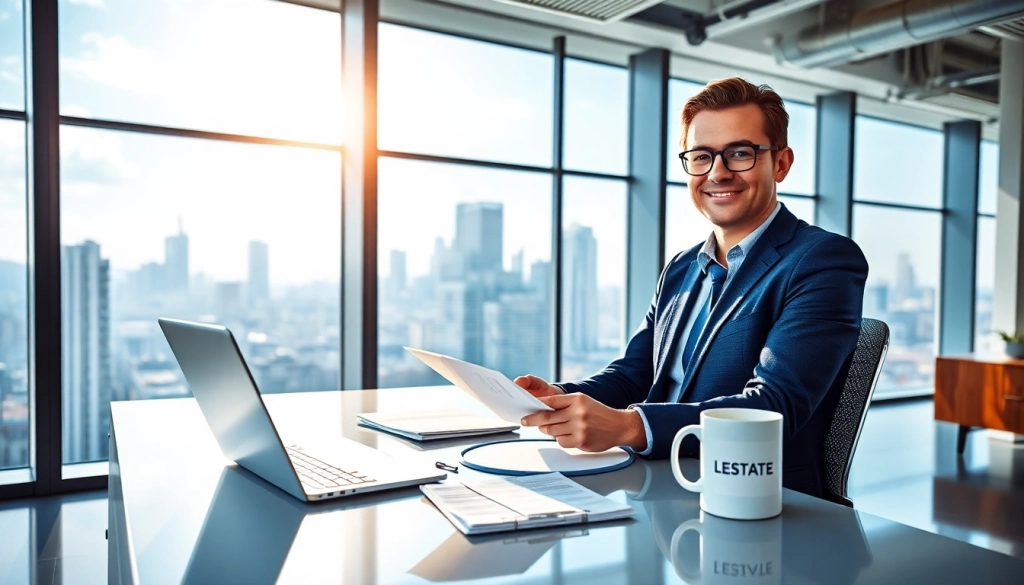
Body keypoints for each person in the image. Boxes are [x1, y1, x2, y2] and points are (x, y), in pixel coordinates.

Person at [515, 77, 868, 497]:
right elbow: (636, 373)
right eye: (702, 156)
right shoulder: (681, 268)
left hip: (756, 503)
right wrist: (559, 399)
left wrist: (629, 426)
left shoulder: (823, 260)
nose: (717, 173)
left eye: (740, 153)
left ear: (781, 164)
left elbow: (772, 407)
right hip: (657, 486)